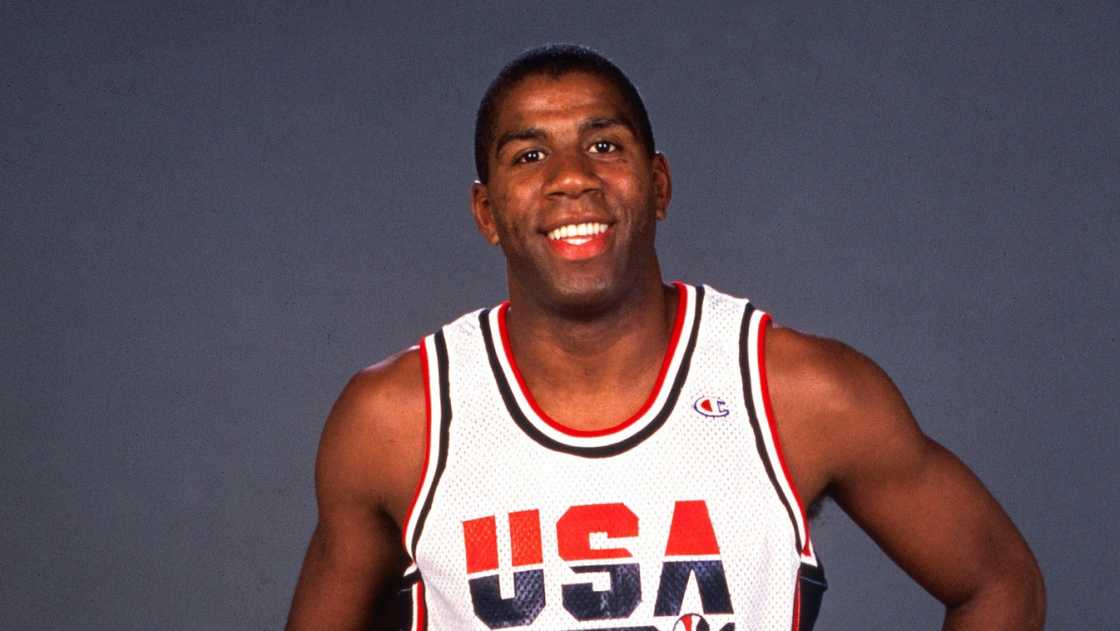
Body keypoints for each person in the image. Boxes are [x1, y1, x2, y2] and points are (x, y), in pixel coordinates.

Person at [285, 44, 1045, 631]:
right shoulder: (398, 420)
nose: (571, 177)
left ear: (659, 185)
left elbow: (999, 580)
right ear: (486, 213)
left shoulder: (798, 392)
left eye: (605, 145)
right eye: (529, 155)